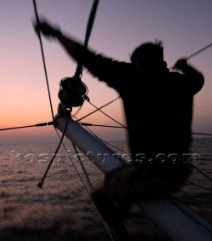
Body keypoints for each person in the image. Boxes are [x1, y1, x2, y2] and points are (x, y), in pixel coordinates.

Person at [35, 20, 204, 208]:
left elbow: (89, 58)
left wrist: (57, 34)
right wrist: (185, 66)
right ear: (162, 61)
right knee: (123, 175)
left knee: (100, 196)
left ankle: (119, 236)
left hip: (157, 177)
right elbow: (199, 79)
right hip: (180, 171)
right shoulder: (182, 83)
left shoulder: (131, 78)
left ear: (138, 62)